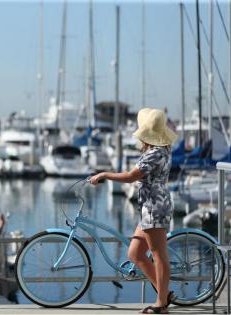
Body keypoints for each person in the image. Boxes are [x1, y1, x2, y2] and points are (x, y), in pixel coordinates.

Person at [89, 108, 177, 314]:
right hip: (151, 206)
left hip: (154, 208)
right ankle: (164, 295)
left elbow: (130, 176)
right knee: (135, 254)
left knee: (159, 255)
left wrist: (103, 174)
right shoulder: (161, 149)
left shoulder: (155, 153)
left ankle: (161, 305)